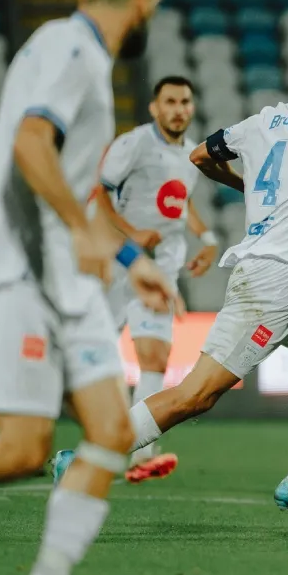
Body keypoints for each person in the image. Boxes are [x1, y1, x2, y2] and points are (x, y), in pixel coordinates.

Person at [51, 32, 288, 529]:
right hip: (273, 283)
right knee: (195, 396)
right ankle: (83, 460)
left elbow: (200, 155)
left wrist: (247, 188)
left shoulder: (262, 121)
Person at [0, 0, 178, 575]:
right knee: (23, 448)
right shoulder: (70, 47)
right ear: (143, 3)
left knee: (114, 429)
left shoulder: (77, 53)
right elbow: (32, 144)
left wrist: (126, 256)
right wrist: (78, 236)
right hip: (25, 271)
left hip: (66, 276)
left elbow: (72, 185)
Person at [97, 75, 220, 480]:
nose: (178, 109)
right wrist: (130, 234)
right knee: (90, 355)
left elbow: (178, 203)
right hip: (115, 263)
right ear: (154, 107)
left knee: (153, 357)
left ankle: (140, 453)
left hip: (161, 268)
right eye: (170, 101)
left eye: (185, 101)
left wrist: (207, 238)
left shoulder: (191, 156)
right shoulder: (134, 144)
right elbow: (95, 193)